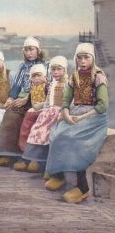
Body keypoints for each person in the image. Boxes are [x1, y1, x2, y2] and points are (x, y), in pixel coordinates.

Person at [45, 43, 108, 204]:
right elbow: (66, 99)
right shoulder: (74, 76)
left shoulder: (99, 76)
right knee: (57, 133)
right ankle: (58, 174)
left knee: (73, 139)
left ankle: (82, 188)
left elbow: (102, 105)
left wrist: (82, 117)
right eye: (79, 57)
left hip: (94, 116)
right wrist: (65, 112)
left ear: (92, 58)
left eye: (86, 57)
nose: (82, 61)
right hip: (75, 111)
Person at [0, 36, 48, 167]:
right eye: (26, 50)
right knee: (11, 112)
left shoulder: (46, 66)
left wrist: (27, 99)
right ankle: (8, 153)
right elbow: (17, 85)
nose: (29, 53)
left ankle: (27, 156)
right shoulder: (23, 66)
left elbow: (48, 85)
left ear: (38, 50)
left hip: (40, 99)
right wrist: (11, 98)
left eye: (31, 49)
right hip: (23, 97)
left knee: (28, 117)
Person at [14, 56, 68, 173]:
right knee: (36, 130)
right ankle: (30, 159)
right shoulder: (53, 84)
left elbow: (68, 101)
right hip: (48, 111)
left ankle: (42, 162)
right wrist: (40, 107)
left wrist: (64, 112)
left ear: (64, 70)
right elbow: (48, 101)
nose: (56, 72)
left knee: (47, 132)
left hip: (59, 112)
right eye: (53, 70)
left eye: (59, 69)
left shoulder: (67, 84)